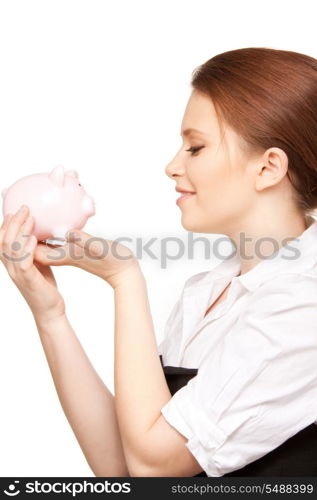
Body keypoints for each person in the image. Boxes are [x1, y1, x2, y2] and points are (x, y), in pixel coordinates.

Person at [1, 46, 317, 477]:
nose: (172, 166)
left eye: (196, 147)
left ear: (268, 168)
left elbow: (156, 469)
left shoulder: (302, 304)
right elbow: (123, 470)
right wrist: (50, 315)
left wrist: (126, 280)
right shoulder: (208, 292)